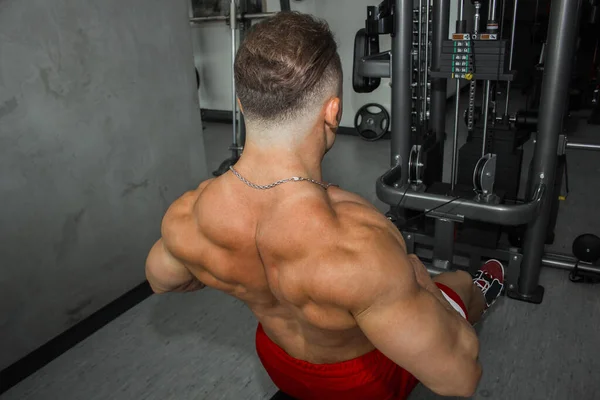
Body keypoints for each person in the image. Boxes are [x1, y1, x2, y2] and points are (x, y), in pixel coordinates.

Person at [145, 12, 505, 400]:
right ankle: (479, 291)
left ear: (242, 104)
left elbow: (161, 279)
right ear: (333, 113)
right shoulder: (359, 244)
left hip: (277, 360)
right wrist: (418, 279)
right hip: (357, 382)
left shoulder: (189, 215)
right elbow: (460, 377)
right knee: (458, 285)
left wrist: (229, 270)